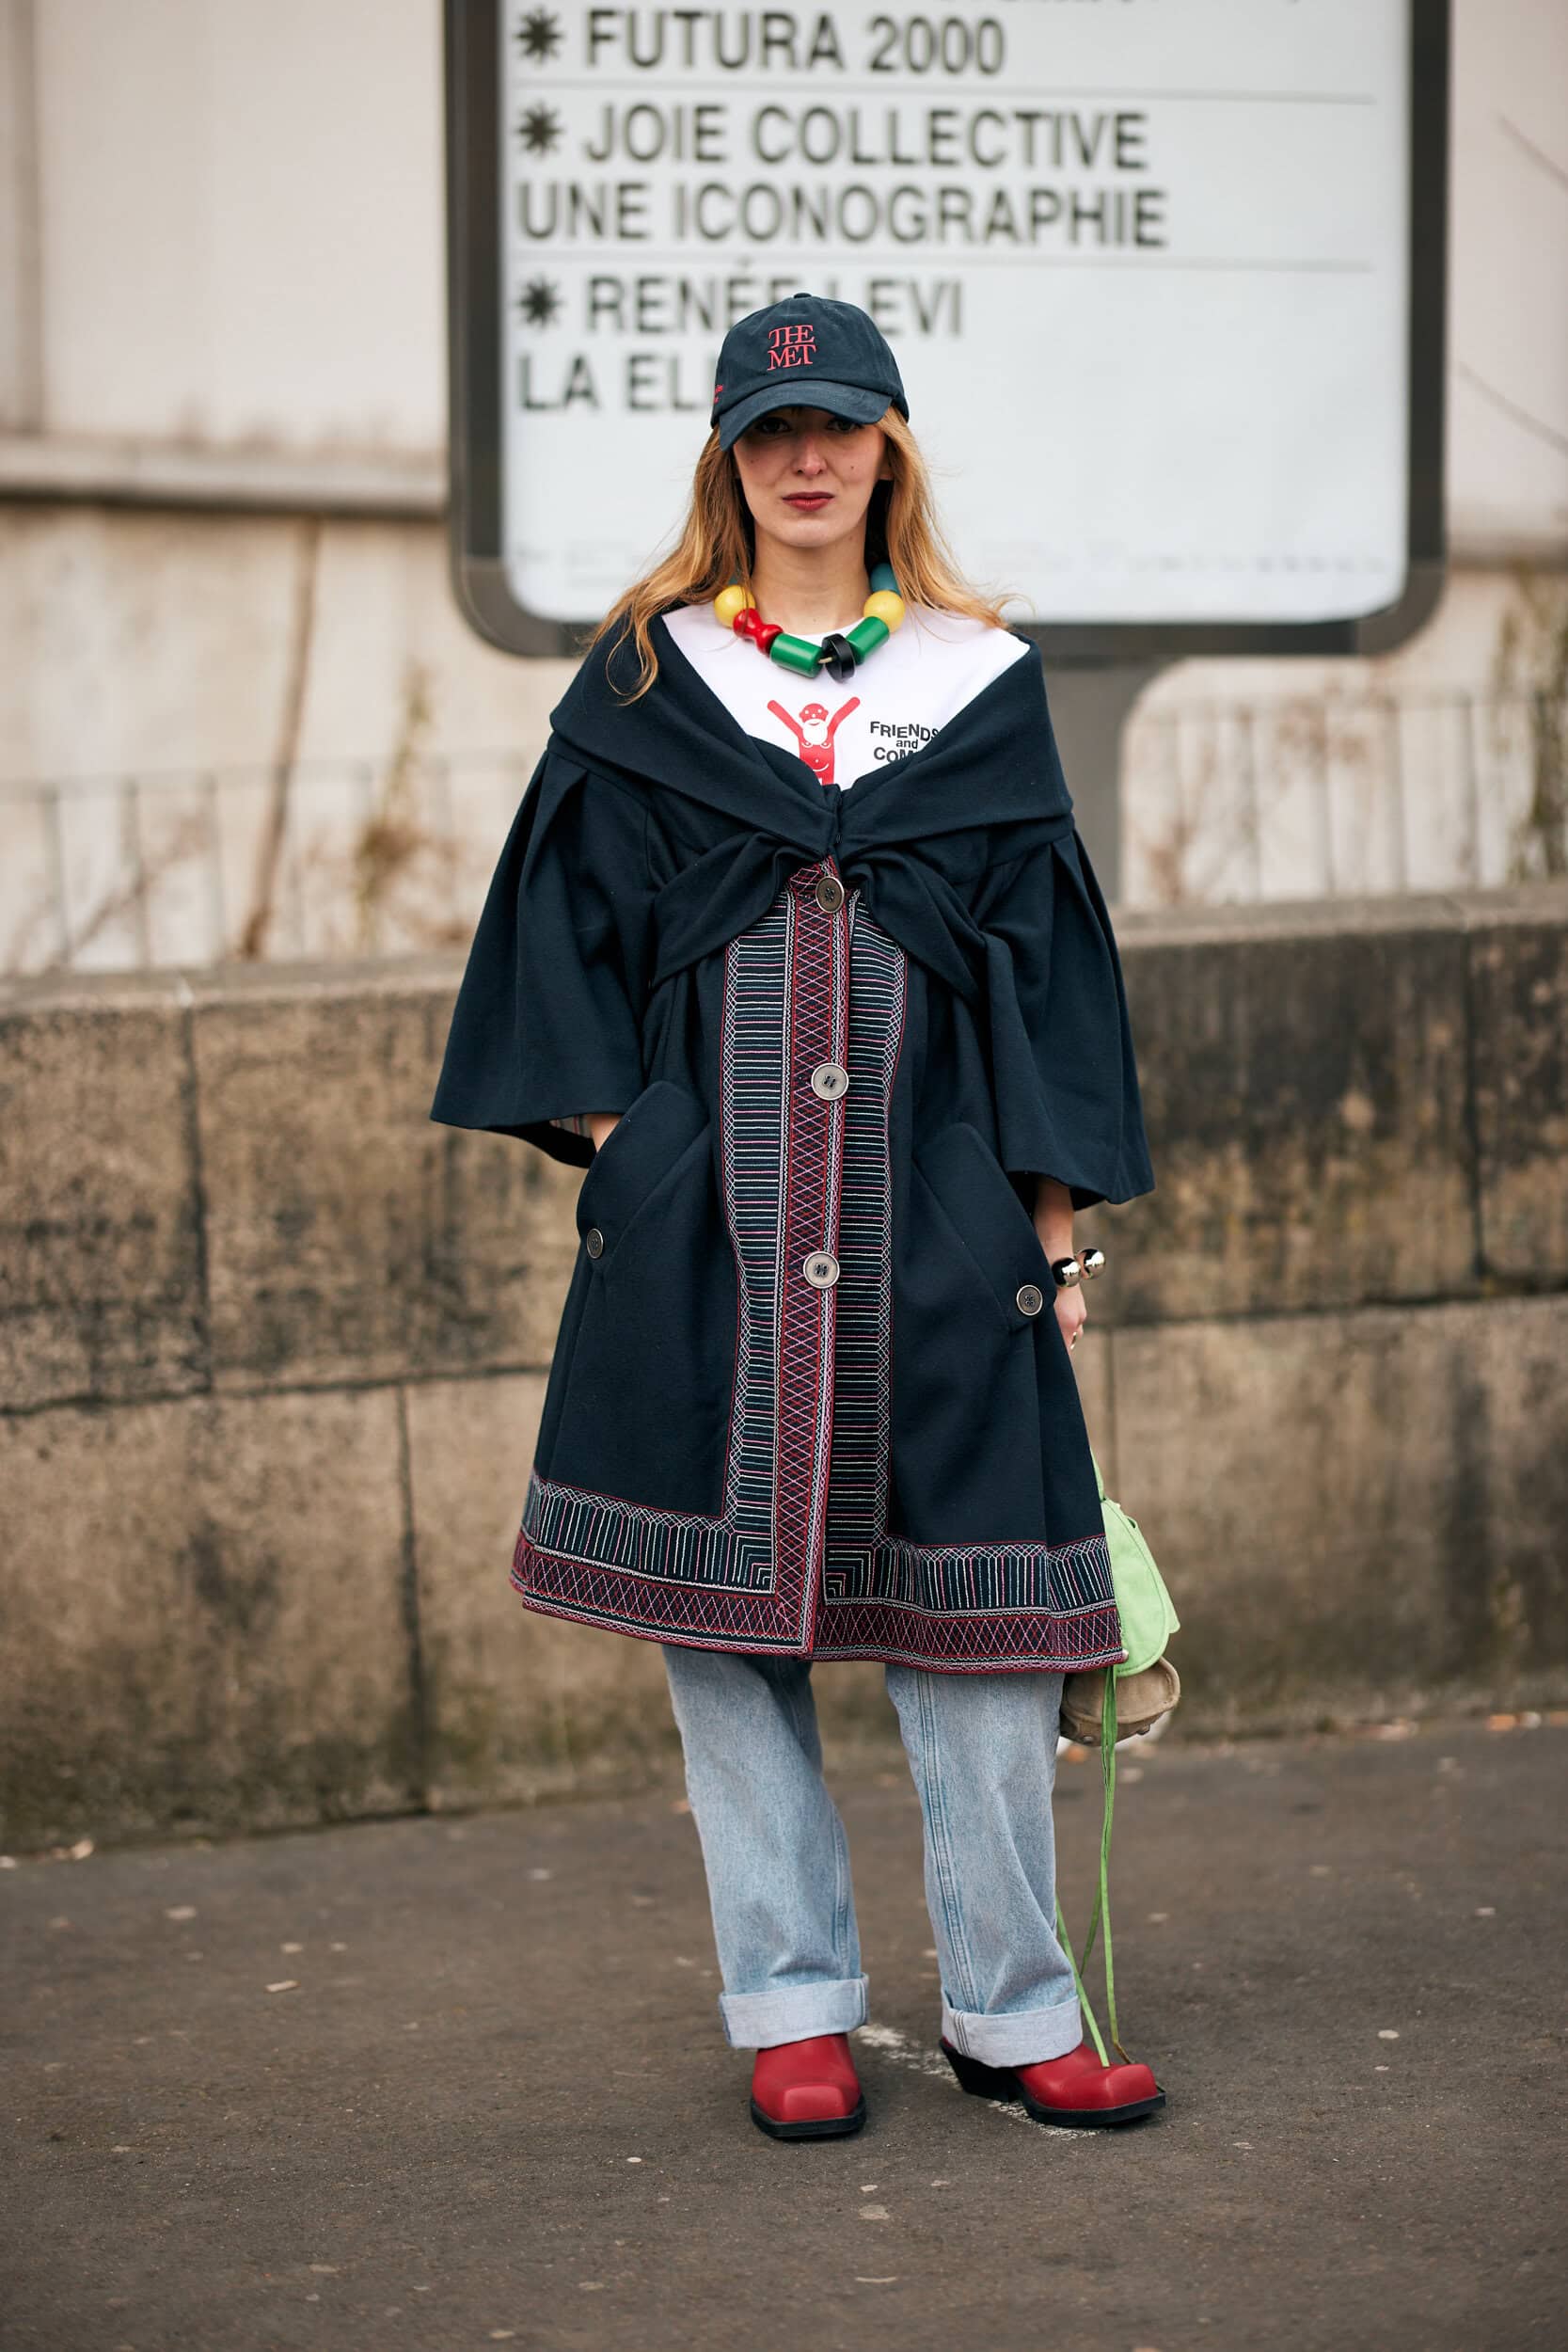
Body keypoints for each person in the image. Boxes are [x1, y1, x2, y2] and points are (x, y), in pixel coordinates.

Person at [430, 292, 1164, 2139]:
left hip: (950, 1231)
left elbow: (1047, 993)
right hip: (710, 1231)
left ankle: (1012, 2008)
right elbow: (555, 955)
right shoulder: (646, 689)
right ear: (730, 461)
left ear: (888, 446)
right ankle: (794, 2000)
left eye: (840, 425)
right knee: (725, 1629)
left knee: (983, 1631)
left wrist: (1056, 1239)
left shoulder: (979, 688)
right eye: (773, 434)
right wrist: (651, 1152)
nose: (808, 458)